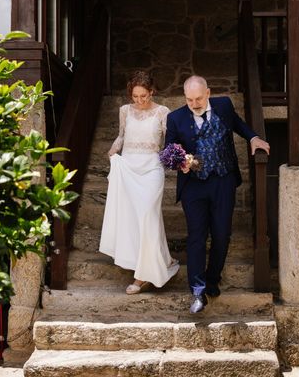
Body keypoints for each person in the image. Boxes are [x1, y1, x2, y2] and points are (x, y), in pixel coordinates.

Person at [165, 75, 270, 313]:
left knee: (222, 234)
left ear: (208, 93)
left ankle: (212, 279)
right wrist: (180, 162)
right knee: (196, 237)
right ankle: (198, 291)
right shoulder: (175, 118)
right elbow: (169, 149)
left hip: (223, 180)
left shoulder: (224, 106)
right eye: (190, 99)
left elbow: (238, 124)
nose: (195, 103)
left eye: (199, 98)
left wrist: (253, 138)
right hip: (194, 185)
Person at [99, 71, 180, 294]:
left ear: (151, 92)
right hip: (129, 167)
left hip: (152, 168)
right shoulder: (125, 111)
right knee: (134, 219)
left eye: (143, 96)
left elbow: (171, 140)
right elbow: (122, 136)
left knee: (148, 215)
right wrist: (113, 150)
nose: (139, 101)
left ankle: (143, 276)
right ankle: (163, 259)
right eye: (135, 96)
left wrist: (178, 156)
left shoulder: (163, 112)